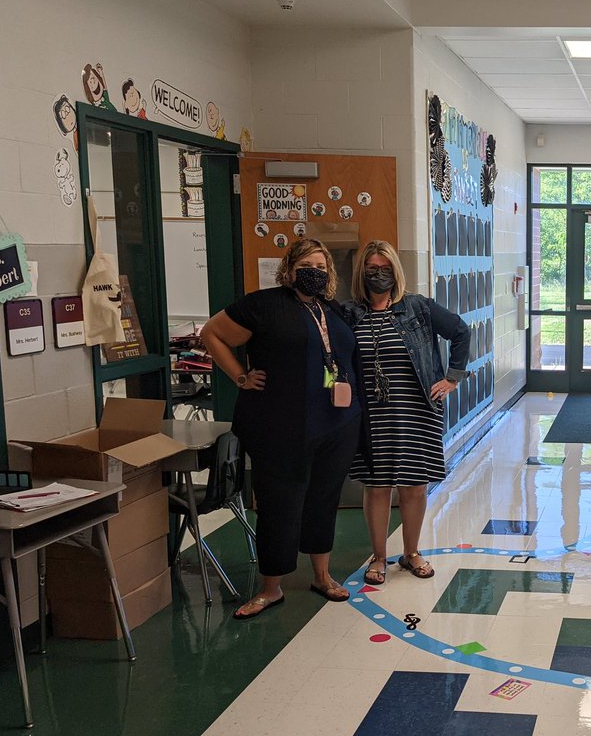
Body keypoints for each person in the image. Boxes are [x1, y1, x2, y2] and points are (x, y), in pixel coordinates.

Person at [200, 239, 361, 619]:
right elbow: (212, 334)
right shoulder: (264, 304)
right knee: (279, 504)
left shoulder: (333, 310)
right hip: (280, 426)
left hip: (335, 425)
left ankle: (322, 575)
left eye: (322, 266)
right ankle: (270, 588)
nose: (316, 271)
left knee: (324, 499)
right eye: (307, 263)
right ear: (289, 268)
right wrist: (240, 376)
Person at [343, 240, 470, 584]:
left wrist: (452, 378)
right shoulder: (350, 313)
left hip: (417, 409)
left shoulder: (418, 308)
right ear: (362, 272)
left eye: (385, 267)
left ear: (396, 270)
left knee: (414, 485)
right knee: (377, 485)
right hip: (372, 414)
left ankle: (411, 552)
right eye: (372, 268)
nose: (379, 274)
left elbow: (460, 331)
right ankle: (380, 556)